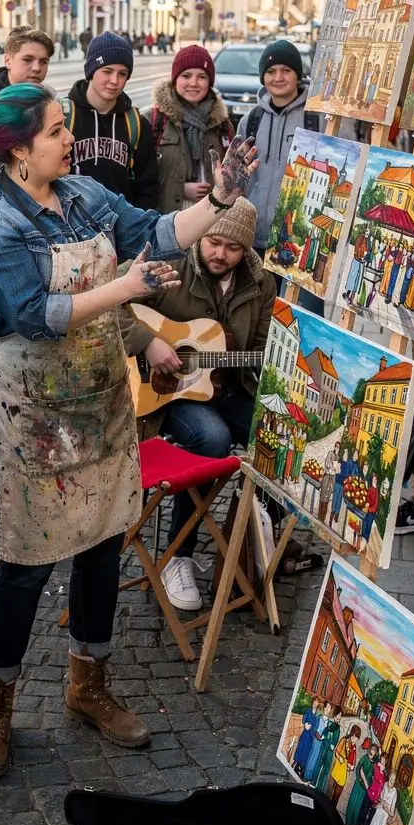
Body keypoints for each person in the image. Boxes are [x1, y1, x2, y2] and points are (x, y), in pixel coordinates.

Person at [0, 82, 258, 776]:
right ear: (21, 151)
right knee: (25, 566)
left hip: (99, 401)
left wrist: (218, 202)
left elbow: (151, 231)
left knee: (98, 549)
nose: (71, 140)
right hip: (34, 412)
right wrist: (127, 289)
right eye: (58, 130)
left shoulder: (85, 194)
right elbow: (37, 314)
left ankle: (88, 684)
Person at [122, 198, 276, 611]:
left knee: (276, 437)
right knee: (212, 438)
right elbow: (111, 303)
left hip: (229, 386)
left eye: (232, 247)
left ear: (246, 250)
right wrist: (148, 343)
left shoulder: (261, 285)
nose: (219, 254)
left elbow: (261, 351)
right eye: (213, 241)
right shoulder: (171, 262)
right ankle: (178, 556)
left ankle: (256, 542)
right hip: (167, 394)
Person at [236, 40, 318, 254]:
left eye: (286, 70)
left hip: (296, 240)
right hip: (251, 237)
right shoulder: (250, 121)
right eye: (271, 71)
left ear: (297, 74)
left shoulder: (316, 120)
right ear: (263, 76)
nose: (278, 78)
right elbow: (237, 177)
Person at [64, 31, 159, 208]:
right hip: (69, 228)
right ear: (91, 72)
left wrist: (136, 229)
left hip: (122, 227)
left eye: (122, 74)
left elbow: (148, 187)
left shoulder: (137, 124)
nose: (114, 80)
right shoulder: (62, 116)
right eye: (107, 71)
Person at [149, 44, 233, 214]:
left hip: (211, 222)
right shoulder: (155, 121)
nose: (193, 83)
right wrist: (182, 188)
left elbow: (232, 178)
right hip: (168, 219)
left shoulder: (222, 125)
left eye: (201, 76)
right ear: (175, 79)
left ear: (209, 82)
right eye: (186, 76)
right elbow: (144, 181)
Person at [0, 26, 54, 91]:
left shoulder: (48, 99)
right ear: (8, 61)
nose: (37, 68)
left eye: (44, 62)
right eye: (28, 60)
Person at [345, 740, 380, 825]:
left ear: (376, 753)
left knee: (358, 807)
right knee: (352, 803)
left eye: (374, 750)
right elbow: (358, 770)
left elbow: (373, 778)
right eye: (371, 749)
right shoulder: (364, 758)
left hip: (365, 788)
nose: (372, 751)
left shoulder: (374, 765)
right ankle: (347, 823)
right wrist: (360, 780)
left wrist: (368, 786)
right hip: (358, 784)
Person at [329, 724, 361, 805]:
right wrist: (340, 758)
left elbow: (352, 760)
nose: (354, 740)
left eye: (356, 738)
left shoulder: (354, 747)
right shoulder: (344, 740)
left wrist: (351, 766)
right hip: (338, 767)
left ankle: (333, 805)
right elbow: (336, 752)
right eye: (353, 737)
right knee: (331, 789)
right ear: (351, 734)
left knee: (338, 791)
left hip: (344, 771)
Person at [292, 696, 322, 780]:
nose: (315, 703)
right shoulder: (308, 710)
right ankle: (296, 766)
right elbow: (304, 719)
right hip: (305, 734)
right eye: (314, 701)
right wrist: (306, 724)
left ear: (318, 703)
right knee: (301, 749)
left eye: (317, 702)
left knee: (307, 752)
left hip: (311, 736)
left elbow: (316, 725)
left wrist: (312, 727)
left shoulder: (317, 714)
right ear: (312, 702)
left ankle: (301, 769)